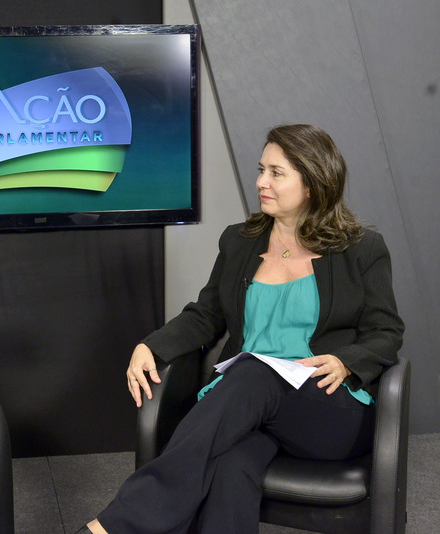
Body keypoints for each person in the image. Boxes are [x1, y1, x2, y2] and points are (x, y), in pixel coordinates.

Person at [77, 124, 404, 534]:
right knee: (232, 463)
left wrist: (346, 361)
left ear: (313, 183)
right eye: (261, 170)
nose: (261, 182)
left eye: (276, 173)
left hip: (326, 406)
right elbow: (206, 314)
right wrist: (153, 346)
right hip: (245, 406)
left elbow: (386, 331)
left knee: (253, 370)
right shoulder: (240, 241)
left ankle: (120, 523)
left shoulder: (361, 249)